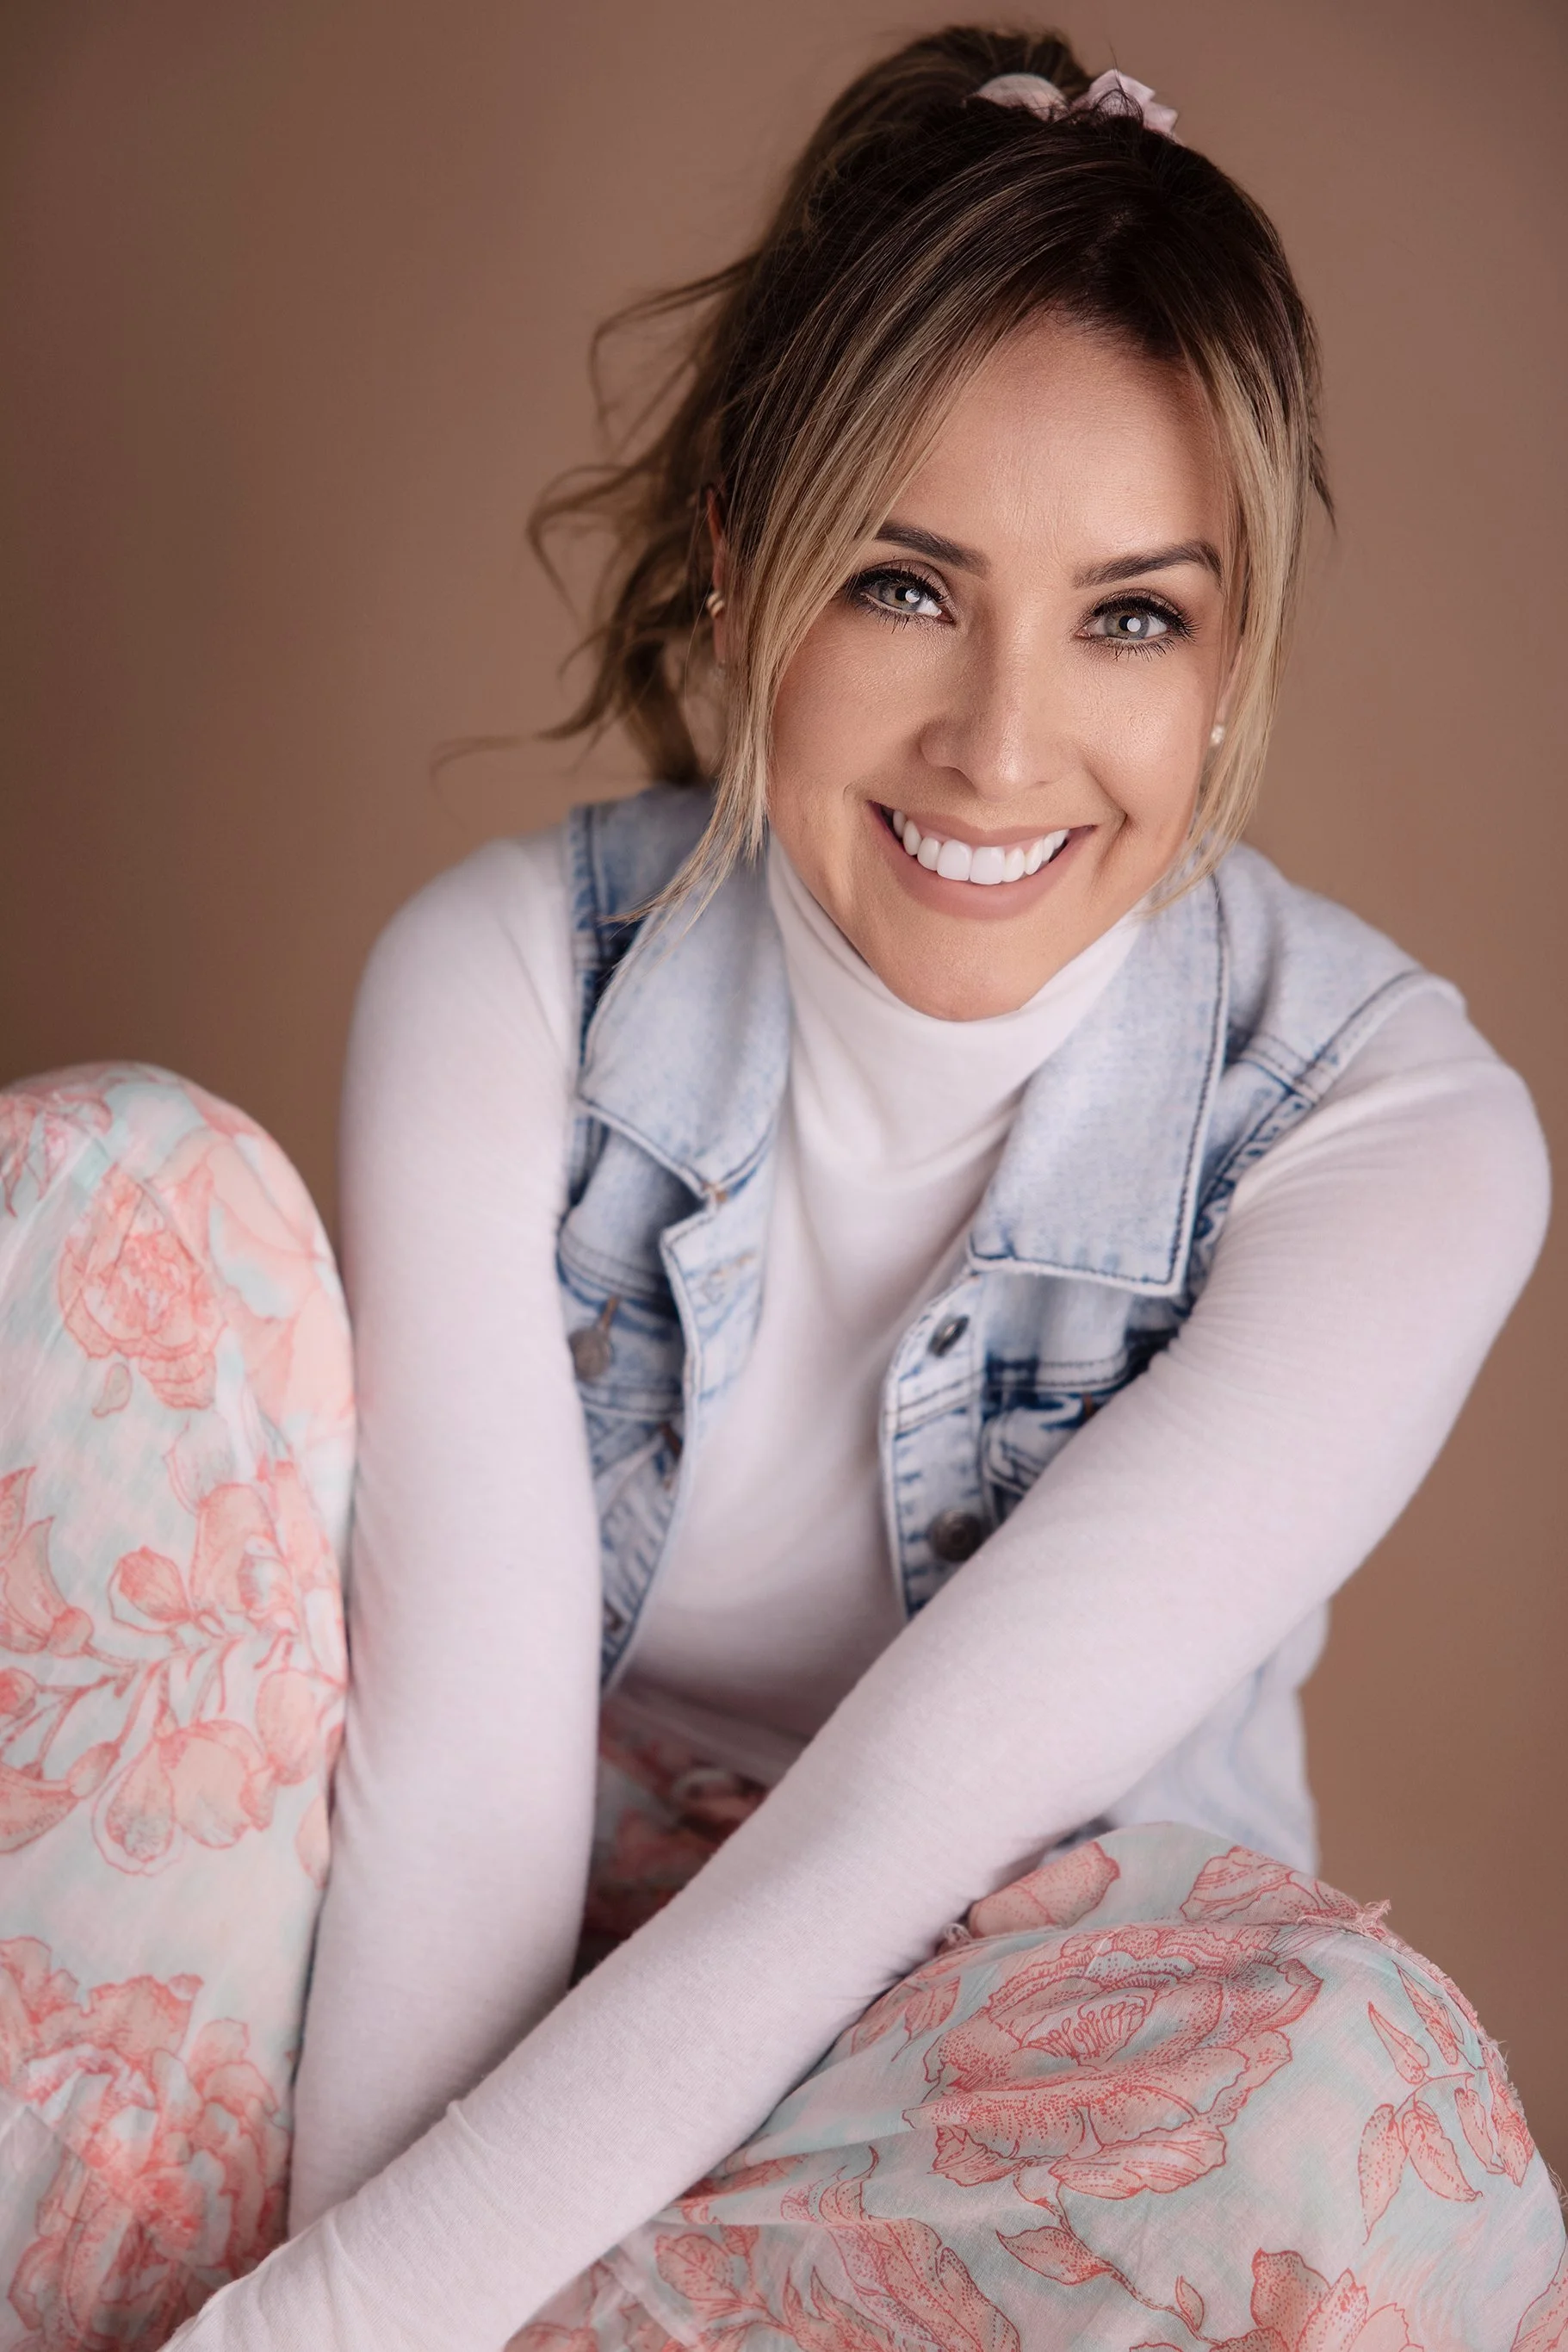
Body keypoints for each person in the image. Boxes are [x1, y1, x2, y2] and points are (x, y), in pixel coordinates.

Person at [1, 25, 1562, 2351]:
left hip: (971, 2057)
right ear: (741, 573)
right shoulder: (507, 974)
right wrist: (330, 2306)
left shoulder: (1401, 1143)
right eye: (904, 587)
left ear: (1230, 655)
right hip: (481, 1992)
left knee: (1354, 2093)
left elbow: (889, 1839)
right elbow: (464, 1788)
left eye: (1132, 613)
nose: (1003, 744)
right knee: (109, 1192)